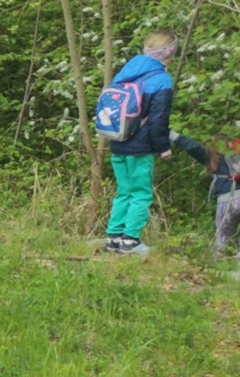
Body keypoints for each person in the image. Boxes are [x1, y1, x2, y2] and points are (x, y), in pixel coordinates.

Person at [105, 30, 177, 255]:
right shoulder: (161, 79)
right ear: (170, 53)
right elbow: (158, 120)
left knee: (124, 192)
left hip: (117, 141)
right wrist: (163, 148)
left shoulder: (126, 72)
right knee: (141, 194)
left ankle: (113, 238)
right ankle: (130, 241)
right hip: (140, 147)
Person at [168, 130, 240, 264]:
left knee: (222, 236)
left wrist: (169, 133)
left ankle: (219, 266)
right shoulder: (237, 153)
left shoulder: (212, 157)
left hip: (226, 200)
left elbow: (191, 146)